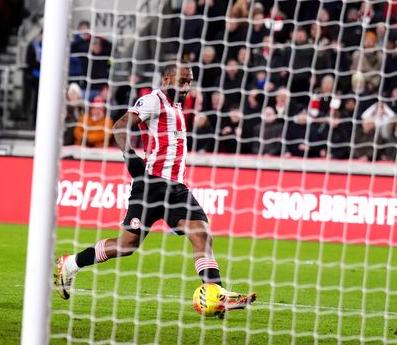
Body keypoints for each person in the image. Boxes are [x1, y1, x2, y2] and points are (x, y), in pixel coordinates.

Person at [54, 64, 256, 312]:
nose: (186, 87)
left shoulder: (177, 108)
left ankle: (215, 295)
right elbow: (119, 126)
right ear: (168, 79)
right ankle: (71, 264)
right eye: (182, 82)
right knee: (126, 245)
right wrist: (131, 158)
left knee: (201, 233)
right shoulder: (152, 101)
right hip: (150, 186)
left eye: (189, 82)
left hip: (176, 188)